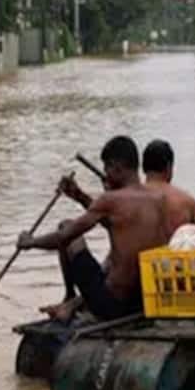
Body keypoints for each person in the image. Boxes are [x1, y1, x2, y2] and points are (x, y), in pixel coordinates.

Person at [22, 135, 167, 322]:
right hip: (144, 302)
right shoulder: (158, 199)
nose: (105, 174)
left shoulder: (111, 200)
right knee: (111, 262)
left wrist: (30, 242)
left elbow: (64, 237)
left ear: (117, 168)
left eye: (107, 168)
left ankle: (70, 297)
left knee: (66, 226)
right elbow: (114, 223)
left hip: (112, 305)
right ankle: (72, 303)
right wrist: (79, 195)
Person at [142, 137, 195, 242]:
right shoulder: (186, 201)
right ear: (169, 167)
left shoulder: (130, 200)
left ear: (143, 167)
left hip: (138, 257)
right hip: (175, 257)